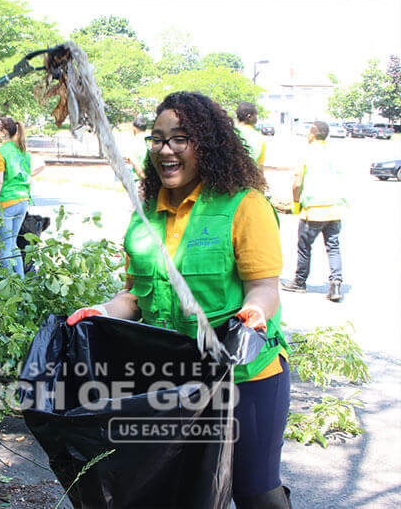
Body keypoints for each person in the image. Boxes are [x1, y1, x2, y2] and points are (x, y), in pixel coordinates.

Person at [67, 92, 293, 508]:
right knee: (180, 491)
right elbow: (135, 296)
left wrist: (255, 312)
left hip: (245, 381)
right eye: (157, 139)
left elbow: (264, 287)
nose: (165, 149)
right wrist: (100, 312)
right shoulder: (145, 215)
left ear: (206, 144)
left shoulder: (246, 206)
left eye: (180, 138)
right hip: (173, 382)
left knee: (254, 489)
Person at [281, 121, 345, 302]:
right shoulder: (335, 154)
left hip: (314, 210)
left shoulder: (306, 154)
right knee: (333, 247)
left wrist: (295, 203)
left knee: (304, 246)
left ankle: (300, 282)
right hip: (335, 209)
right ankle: (336, 284)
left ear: (312, 134)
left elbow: (297, 184)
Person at [0, 116, 45, 278]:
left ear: (2, 131)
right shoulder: (22, 151)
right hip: (23, 201)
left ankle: (10, 285)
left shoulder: (0, 152)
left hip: (6, 203)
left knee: (4, 246)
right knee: (13, 245)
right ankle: (20, 282)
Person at [236, 101, 266, 169]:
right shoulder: (258, 137)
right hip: (249, 176)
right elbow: (259, 165)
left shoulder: (228, 131)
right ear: (249, 116)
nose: (257, 118)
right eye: (256, 115)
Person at [122, 115, 149, 181]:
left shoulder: (133, 142)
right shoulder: (150, 140)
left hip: (138, 178)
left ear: (134, 128)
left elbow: (133, 161)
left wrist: (143, 176)